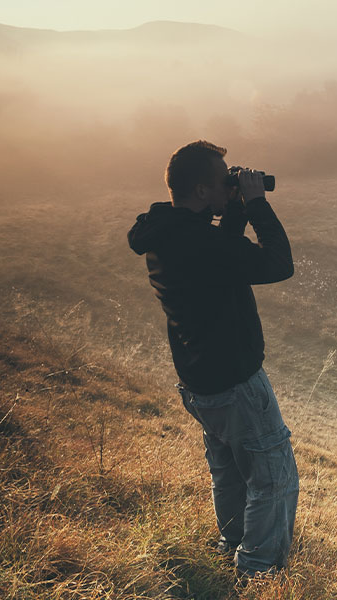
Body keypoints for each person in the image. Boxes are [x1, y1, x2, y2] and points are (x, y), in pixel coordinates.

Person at [127, 140, 298, 578]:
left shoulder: (164, 233)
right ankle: (258, 574)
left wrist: (234, 208)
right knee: (272, 479)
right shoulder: (198, 240)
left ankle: (231, 548)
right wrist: (256, 204)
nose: (231, 183)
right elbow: (278, 264)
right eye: (224, 179)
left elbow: (216, 253)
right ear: (203, 191)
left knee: (230, 473)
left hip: (200, 382)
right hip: (237, 382)